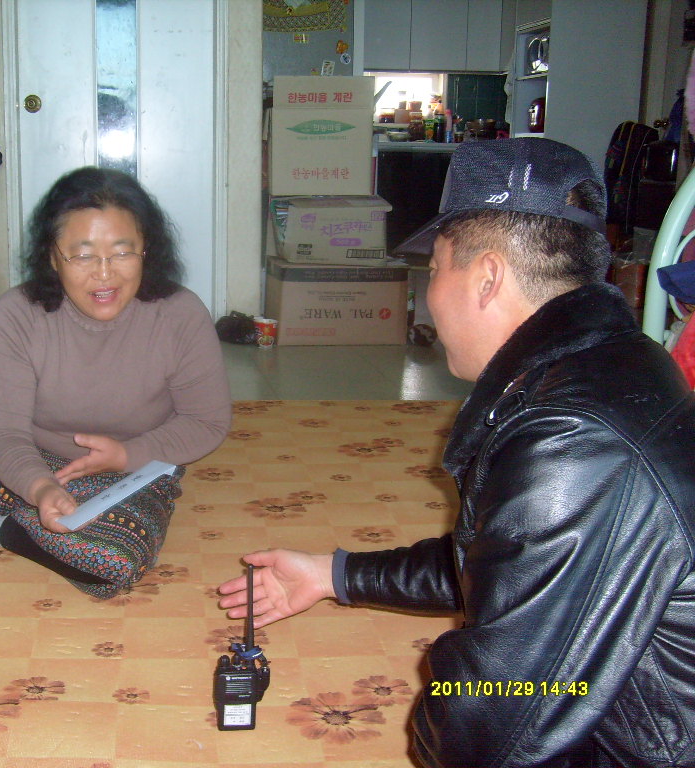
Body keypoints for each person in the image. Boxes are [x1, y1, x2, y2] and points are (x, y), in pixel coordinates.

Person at [218, 138, 695, 767]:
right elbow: (509, 560)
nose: (428, 296)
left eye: (436, 268)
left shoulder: (572, 442)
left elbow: (493, 727)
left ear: (487, 277)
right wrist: (334, 573)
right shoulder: (617, 360)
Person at [0, 166, 232, 598]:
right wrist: (40, 486)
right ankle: (29, 514)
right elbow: (4, 432)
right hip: (31, 458)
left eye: (122, 252)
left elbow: (206, 421)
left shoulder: (181, 314)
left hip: (134, 468)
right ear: (52, 257)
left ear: (147, 250)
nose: (104, 274)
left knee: (113, 562)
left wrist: (128, 455)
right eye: (82, 255)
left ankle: (8, 527)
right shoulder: (17, 315)